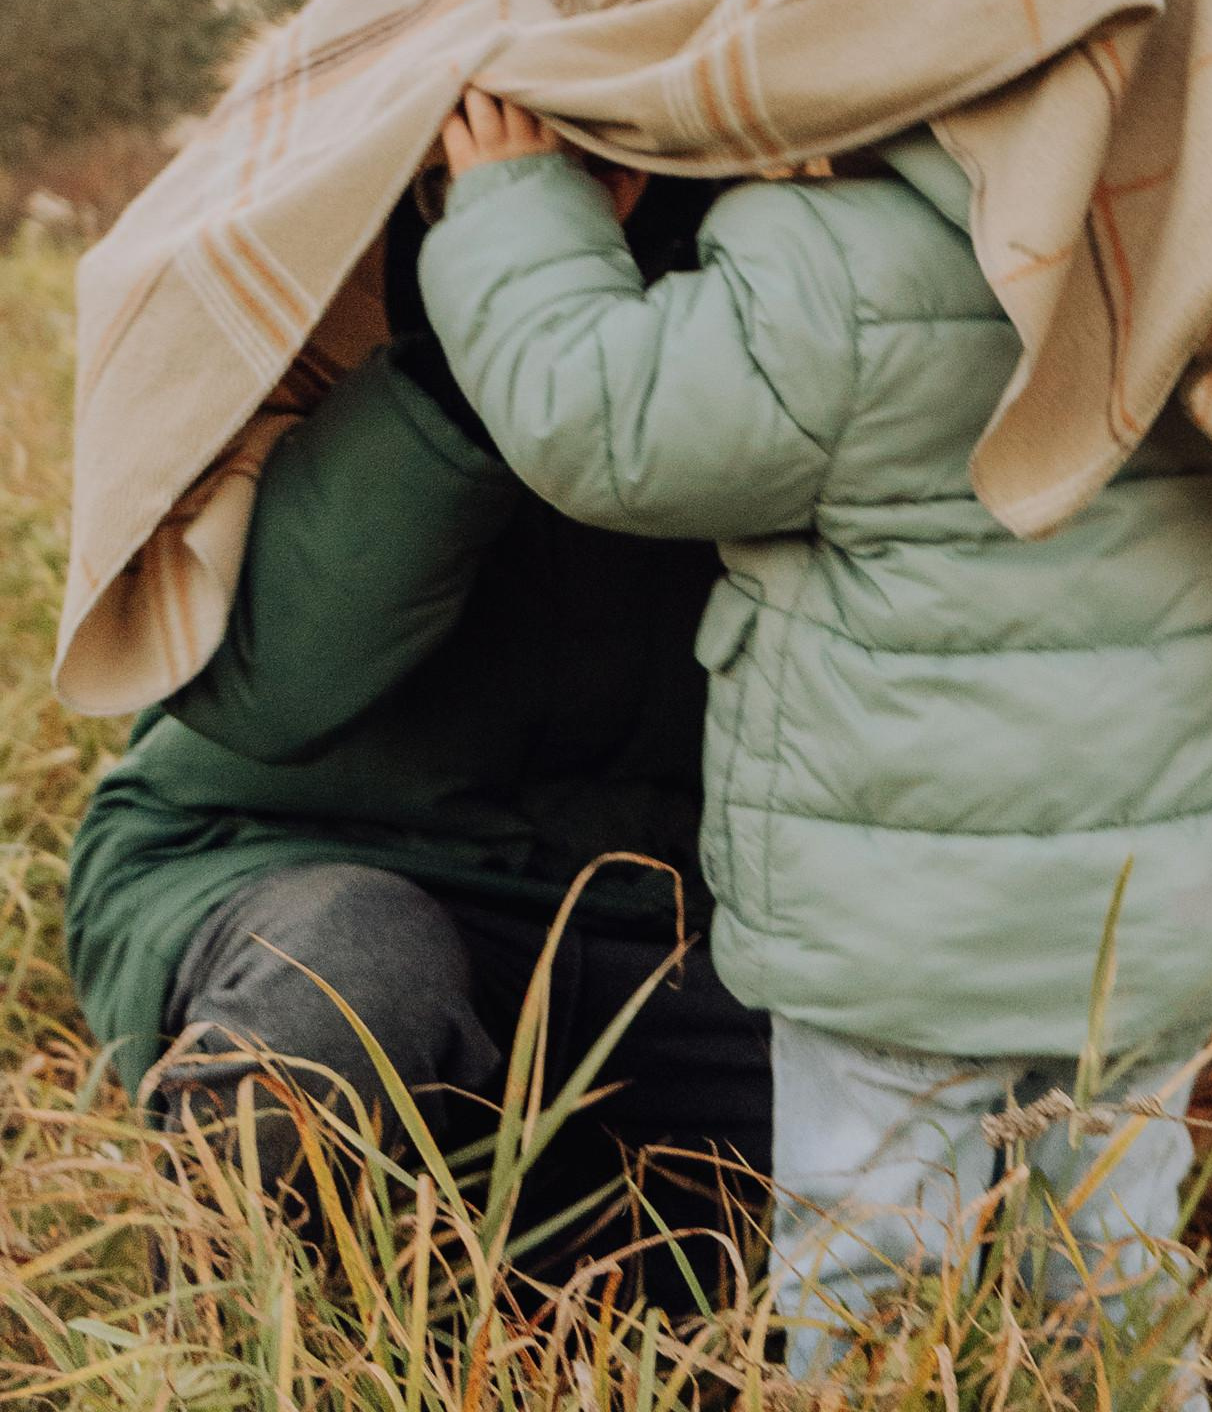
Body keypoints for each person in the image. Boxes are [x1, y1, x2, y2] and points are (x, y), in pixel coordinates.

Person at [415, 87, 1212, 1412]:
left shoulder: (832, 266)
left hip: (902, 945)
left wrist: (524, 201)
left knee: (869, 1280)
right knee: (1115, 1284)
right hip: (1149, 922)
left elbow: (605, 418)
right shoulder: (1180, 242)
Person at [65, 168, 773, 1292]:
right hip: (288, 857)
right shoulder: (363, 239)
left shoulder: (798, 274)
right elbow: (273, 683)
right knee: (352, 983)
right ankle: (247, 1390)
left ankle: (519, 1287)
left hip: (664, 934)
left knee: (925, 1149)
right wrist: (502, 298)